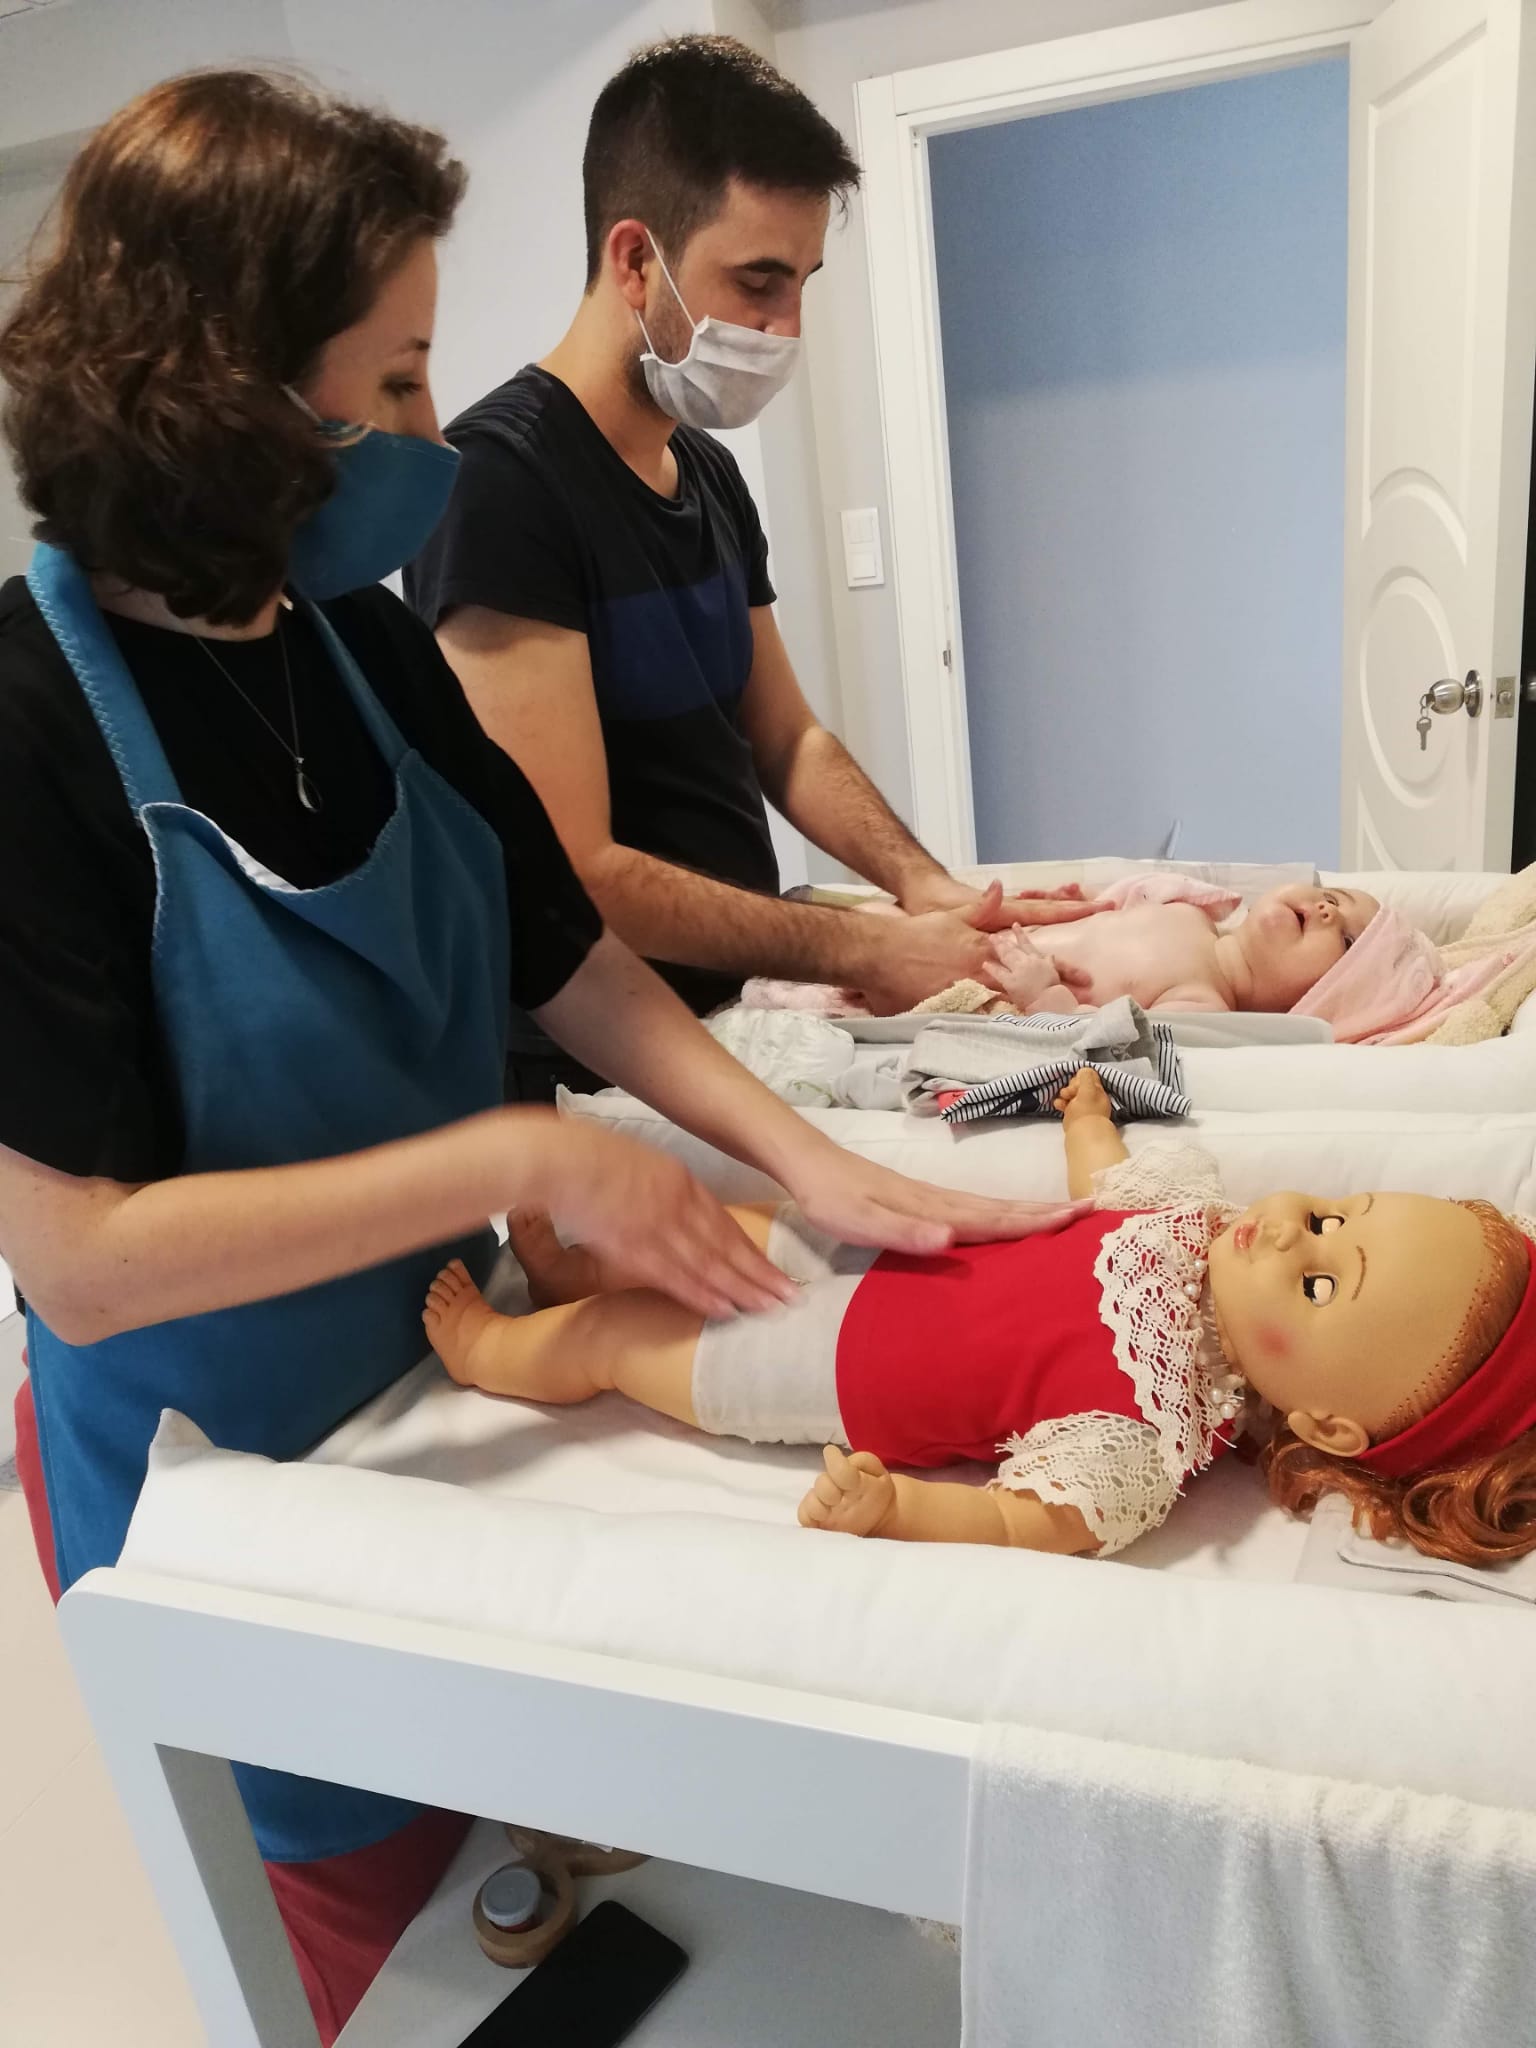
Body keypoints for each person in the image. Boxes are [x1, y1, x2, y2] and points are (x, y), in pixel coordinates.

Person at [0, 72, 1081, 2044]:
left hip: (447, 1375)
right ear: (220, 395)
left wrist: (805, 1157)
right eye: (398, 381)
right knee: (391, 1943)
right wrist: (525, 1162)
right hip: (214, 1469)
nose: (432, 435)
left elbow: (566, 954)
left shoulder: (354, 646)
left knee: (548, 1835)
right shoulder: (27, 725)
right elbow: (81, 1258)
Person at [405, 34, 1089, 1100]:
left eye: (803, 282)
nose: (786, 328)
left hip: (736, 1026)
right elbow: (577, 872)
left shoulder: (707, 472)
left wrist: (923, 886)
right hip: (593, 1074)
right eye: (759, 282)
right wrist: (863, 946)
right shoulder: (500, 485)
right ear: (635, 261)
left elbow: (788, 738)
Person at [424, 1065, 1536, 1568]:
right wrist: (1089, 1118)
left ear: (1329, 1423)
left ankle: (496, 1350)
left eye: (1321, 1284)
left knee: (626, 1343)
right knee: (719, 1230)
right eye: (1334, 1215)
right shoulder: (1190, 1216)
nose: (1293, 1229)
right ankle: (576, 1279)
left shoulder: (1150, 1438)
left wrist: (896, 1508)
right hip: (881, 1252)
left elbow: (1018, 1523)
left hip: (829, 1370)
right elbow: (1105, 1188)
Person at [982, 881, 1381, 1014]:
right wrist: (1077, 905)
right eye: (1332, 896)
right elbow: (1112, 918)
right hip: (997, 931)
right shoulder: (1190, 912)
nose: (1329, 910)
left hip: (986, 990)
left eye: (1347, 941)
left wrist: (1045, 997)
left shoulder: (1202, 1003)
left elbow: (1107, 1049)